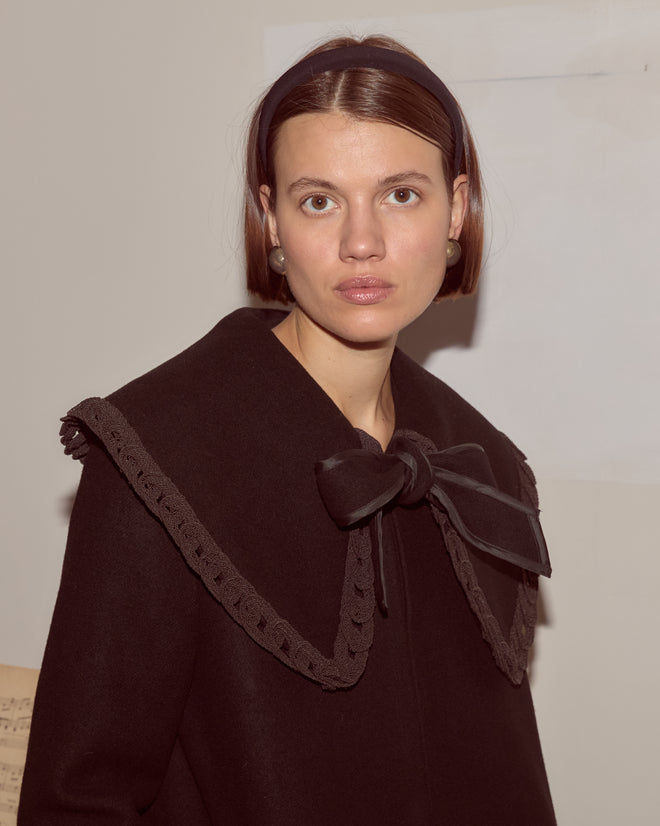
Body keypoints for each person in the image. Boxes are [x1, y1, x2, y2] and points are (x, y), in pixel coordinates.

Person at [19, 34, 556, 824]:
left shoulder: (487, 468)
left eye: (401, 194)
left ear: (458, 209)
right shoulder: (159, 455)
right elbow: (78, 802)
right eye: (319, 200)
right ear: (270, 220)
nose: (361, 242)